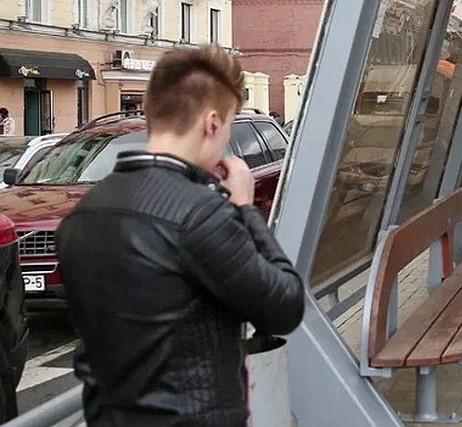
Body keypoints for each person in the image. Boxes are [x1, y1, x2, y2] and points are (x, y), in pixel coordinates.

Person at [56, 46, 306, 426]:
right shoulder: (199, 214)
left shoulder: (85, 213)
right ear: (211, 124)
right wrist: (243, 207)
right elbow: (285, 306)